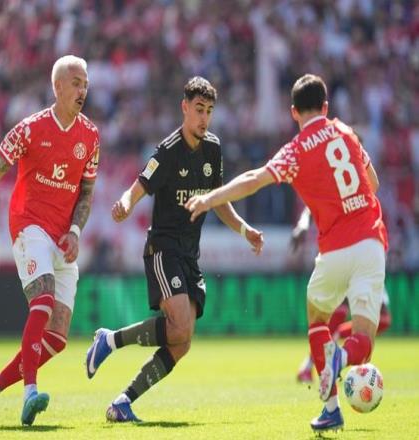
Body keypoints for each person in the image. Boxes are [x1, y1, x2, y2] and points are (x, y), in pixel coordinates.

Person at [185, 74, 388, 433]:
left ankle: (331, 408)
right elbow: (373, 184)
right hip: (371, 241)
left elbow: (254, 179)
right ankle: (342, 359)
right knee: (364, 341)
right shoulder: (347, 132)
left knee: (317, 320)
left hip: (335, 250)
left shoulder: (296, 150)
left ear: (294, 112)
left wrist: (211, 198)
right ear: (326, 106)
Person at [84, 76, 264, 422]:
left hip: (189, 254)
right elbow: (139, 185)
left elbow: (218, 200)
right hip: (163, 248)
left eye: (209, 111)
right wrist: (125, 203)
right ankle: (111, 341)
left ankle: (122, 401)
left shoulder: (213, 149)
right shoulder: (168, 151)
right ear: (185, 108)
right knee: (179, 325)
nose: (204, 118)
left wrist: (245, 230)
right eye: (199, 109)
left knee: (182, 342)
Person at [0, 55, 100, 426]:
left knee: (58, 337)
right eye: (76, 83)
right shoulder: (29, 130)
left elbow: (86, 192)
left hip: (63, 236)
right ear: (58, 87)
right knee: (42, 301)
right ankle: (30, 392)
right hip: (29, 226)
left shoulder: (91, 136)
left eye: (85, 83)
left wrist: (76, 232)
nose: (83, 90)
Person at [291, 207, 392, 384]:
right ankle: (315, 364)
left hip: (365, 250)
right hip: (342, 250)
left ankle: (334, 353)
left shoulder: (362, 197)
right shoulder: (334, 196)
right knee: (333, 315)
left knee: (382, 320)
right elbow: (312, 204)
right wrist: (303, 224)